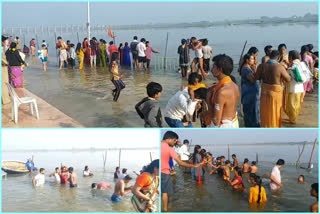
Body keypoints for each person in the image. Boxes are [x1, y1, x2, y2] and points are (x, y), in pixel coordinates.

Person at [161, 131, 202, 212]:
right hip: (164, 173)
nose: (175, 142)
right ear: (169, 139)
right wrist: (194, 165)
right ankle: (165, 209)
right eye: (174, 140)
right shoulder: (170, 149)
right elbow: (181, 163)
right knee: (165, 192)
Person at [255, 50, 291, 127]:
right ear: (278, 58)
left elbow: (256, 77)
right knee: (275, 112)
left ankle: (265, 126)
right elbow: (288, 79)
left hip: (264, 93)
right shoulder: (279, 67)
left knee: (265, 113)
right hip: (275, 94)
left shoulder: (261, 66)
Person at [202, 54, 240, 128]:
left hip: (223, 126)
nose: (211, 69)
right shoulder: (235, 86)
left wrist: (208, 101)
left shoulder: (222, 92)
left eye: (213, 67)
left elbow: (216, 121)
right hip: (233, 122)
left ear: (220, 70)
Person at [284, 50, 308, 124]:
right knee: (297, 105)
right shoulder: (302, 64)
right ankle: (293, 118)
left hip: (293, 89)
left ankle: (292, 120)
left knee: (291, 106)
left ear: (290, 57)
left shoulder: (292, 67)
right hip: (301, 89)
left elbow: (287, 77)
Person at [240, 53, 260, 127]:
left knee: (252, 113)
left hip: (250, 94)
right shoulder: (246, 69)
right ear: (247, 60)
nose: (254, 61)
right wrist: (256, 71)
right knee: (252, 114)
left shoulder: (248, 68)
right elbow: (253, 80)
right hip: (250, 95)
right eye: (252, 59)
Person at [2, 35, 10, 104]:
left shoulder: (2, 48)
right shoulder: (1, 49)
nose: (5, 42)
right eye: (4, 41)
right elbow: (2, 60)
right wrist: (7, 63)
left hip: (3, 69)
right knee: (4, 84)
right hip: (2, 69)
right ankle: (5, 100)